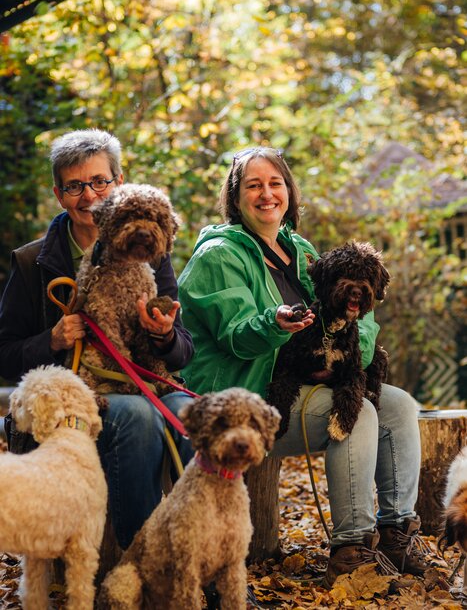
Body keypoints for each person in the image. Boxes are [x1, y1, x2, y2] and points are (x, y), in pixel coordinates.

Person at [178, 146, 429, 587]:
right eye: (253, 186)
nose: (266, 194)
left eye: (275, 184)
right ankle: (350, 549)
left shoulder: (301, 250)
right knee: (360, 413)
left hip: (302, 386)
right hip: (246, 400)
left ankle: (396, 533)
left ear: (289, 193)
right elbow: (236, 335)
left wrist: (357, 346)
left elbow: (357, 315)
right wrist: (273, 324)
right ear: (235, 198)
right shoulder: (216, 255)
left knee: (401, 406)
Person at [0, 128, 194, 550]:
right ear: (58, 193)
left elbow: (182, 350)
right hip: (73, 399)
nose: (88, 196)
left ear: (118, 183)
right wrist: (50, 340)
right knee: (140, 418)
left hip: (149, 381)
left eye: (99, 181)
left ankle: (200, 564)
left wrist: (163, 336)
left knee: (192, 416)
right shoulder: (33, 262)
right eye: (74, 186)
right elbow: (4, 356)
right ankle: (139, 558)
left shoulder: (152, 251)